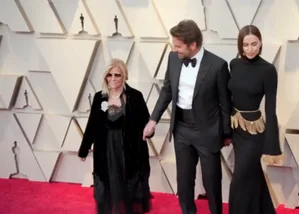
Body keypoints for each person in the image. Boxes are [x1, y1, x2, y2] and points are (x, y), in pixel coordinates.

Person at [143, 19, 232, 214]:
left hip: (207, 131)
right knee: (183, 181)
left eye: (178, 46)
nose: (174, 49)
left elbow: (225, 103)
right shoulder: (173, 58)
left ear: (193, 45)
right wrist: (153, 119)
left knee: (211, 182)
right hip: (181, 128)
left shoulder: (218, 66)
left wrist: (226, 134)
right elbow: (167, 91)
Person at [78, 58, 153, 214]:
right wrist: (84, 149)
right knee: (109, 180)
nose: (112, 79)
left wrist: (149, 131)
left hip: (129, 147)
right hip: (106, 148)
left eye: (117, 75)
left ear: (124, 76)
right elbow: (92, 124)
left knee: (129, 180)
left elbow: (146, 122)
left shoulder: (135, 96)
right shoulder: (100, 97)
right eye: (109, 75)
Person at [228, 25, 282, 214]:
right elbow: (228, 97)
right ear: (240, 46)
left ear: (260, 44)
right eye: (246, 45)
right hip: (236, 128)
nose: (250, 49)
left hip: (254, 133)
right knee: (252, 175)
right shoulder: (233, 65)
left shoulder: (268, 70)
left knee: (240, 177)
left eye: (254, 44)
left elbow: (270, 108)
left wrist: (271, 145)